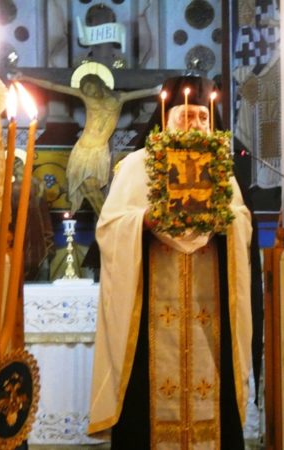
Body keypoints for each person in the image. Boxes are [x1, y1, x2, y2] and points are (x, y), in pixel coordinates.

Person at [87, 75, 253, 449]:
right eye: (186, 115)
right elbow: (109, 227)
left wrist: (224, 222)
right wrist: (144, 221)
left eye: (202, 117)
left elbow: (241, 221)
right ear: (167, 117)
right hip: (150, 310)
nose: (194, 124)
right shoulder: (138, 165)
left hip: (210, 309)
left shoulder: (221, 168)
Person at [18, 63, 158, 216]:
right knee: (86, 187)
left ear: (98, 84)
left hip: (99, 151)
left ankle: (106, 219)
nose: (89, 92)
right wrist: (25, 77)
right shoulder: (87, 98)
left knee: (92, 186)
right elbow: (53, 86)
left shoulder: (119, 97)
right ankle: (105, 220)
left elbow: (146, 92)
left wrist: (156, 90)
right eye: (86, 90)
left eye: (90, 88)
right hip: (82, 149)